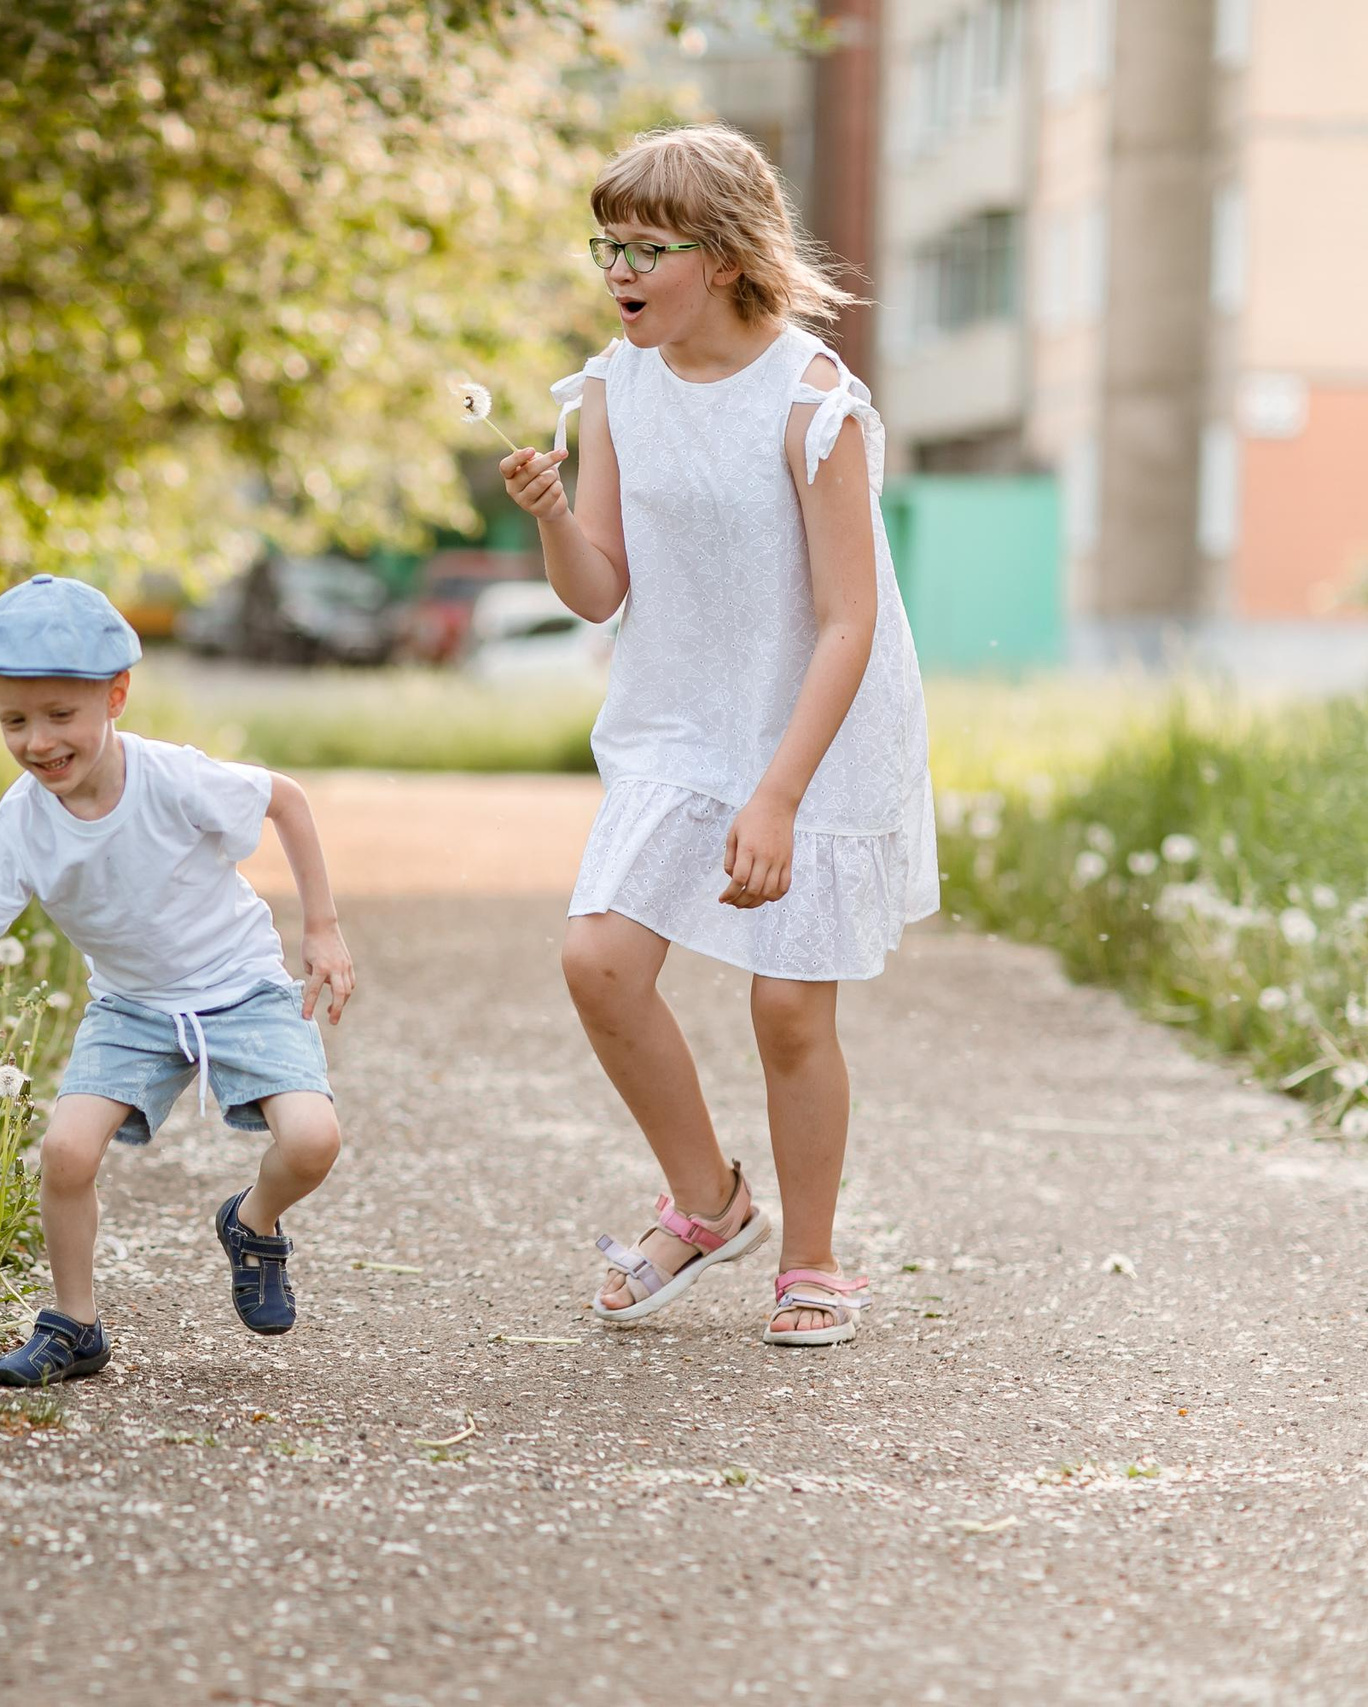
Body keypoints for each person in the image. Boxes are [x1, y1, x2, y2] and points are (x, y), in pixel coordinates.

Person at [498, 124, 937, 1347]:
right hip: (677, 721)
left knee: (788, 1009)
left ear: (728, 258)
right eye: (607, 245)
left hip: (815, 728)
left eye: (646, 248)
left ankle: (811, 1260)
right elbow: (598, 591)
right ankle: (706, 1202)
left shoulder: (810, 402)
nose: (617, 270)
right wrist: (551, 518)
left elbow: (848, 621)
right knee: (598, 959)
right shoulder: (612, 386)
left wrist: (779, 795)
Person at [0, 574, 355, 1385]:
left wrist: (321, 927)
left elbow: (285, 799)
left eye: (59, 715)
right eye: (14, 720)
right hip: (132, 1007)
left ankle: (253, 1222)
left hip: (240, 985)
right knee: (65, 1152)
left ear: (115, 696)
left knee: (314, 1141)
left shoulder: (171, 777)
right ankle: (75, 1324)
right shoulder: (21, 823)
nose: (38, 741)